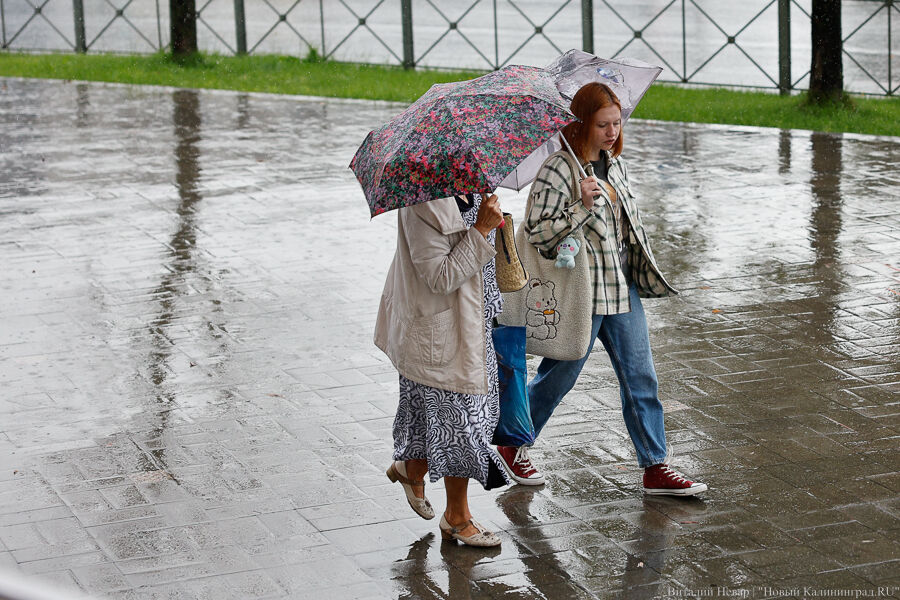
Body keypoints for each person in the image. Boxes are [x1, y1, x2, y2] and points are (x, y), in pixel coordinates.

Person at [495, 82, 707, 497]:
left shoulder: (615, 164)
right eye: (603, 125)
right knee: (559, 376)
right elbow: (538, 233)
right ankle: (511, 443)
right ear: (581, 124)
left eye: (617, 123)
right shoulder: (558, 169)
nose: (612, 132)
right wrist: (581, 206)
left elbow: (626, 227)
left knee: (641, 377)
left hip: (620, 287)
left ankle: (655, 466)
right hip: (583, 293)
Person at [375, 191, 511, 547]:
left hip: (474, 323)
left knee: (445, 418)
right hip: (439, 333)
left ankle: (411, 467)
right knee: (459, 425)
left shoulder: (473, 189)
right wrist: (481, 230)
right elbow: (439, 277)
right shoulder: (420, 204)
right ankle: (456, 517)